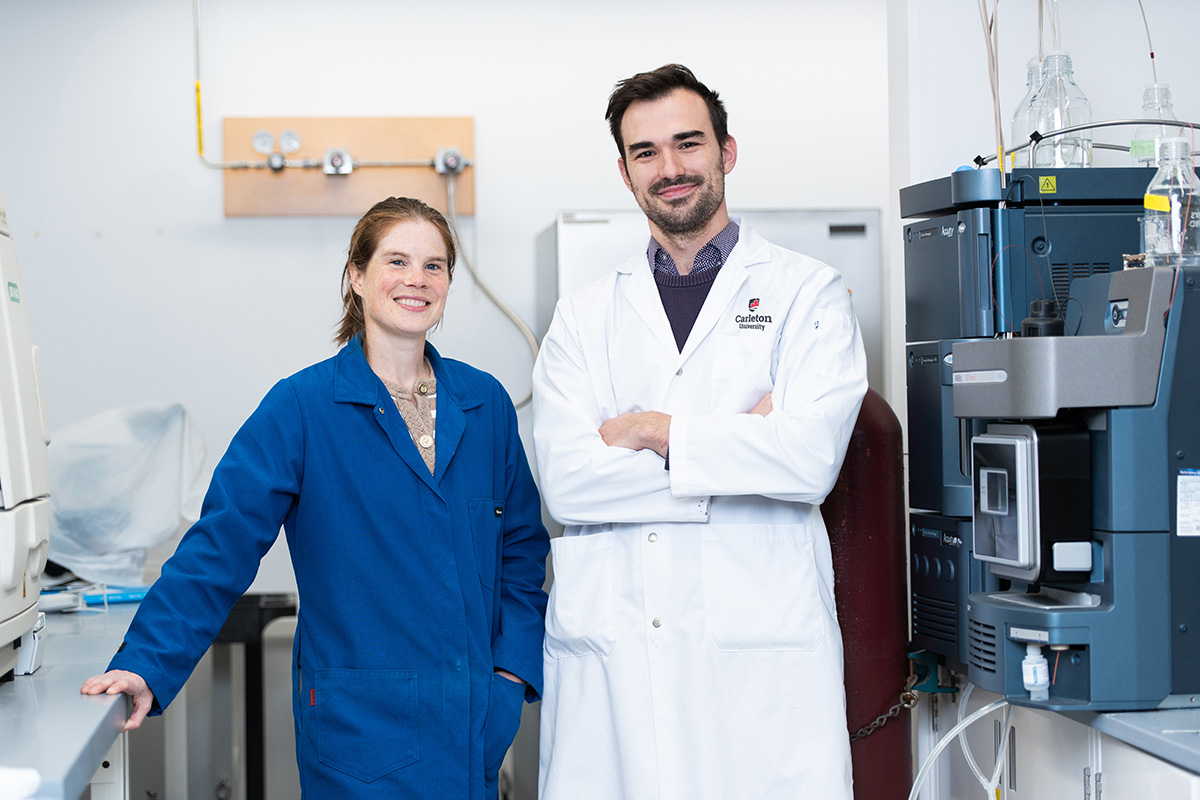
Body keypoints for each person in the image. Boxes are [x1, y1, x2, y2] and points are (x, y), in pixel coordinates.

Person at [82, 197, 550, 799]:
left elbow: (521, 553)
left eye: (434, 266)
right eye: (397, 261)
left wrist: (510, 675)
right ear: (356, 276)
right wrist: (146, 662)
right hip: (359, 734)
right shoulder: (301, 408)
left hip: (471, 725)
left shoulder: (484, 405)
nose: (417, 279)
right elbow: (220, 545)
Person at [531, 65, 868, 799]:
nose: (670, 168)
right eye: (646, 152)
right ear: (625, 172)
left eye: (688, 143)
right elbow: (568, 483)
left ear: (727, 152)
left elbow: (808, 461)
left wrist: (653, 430)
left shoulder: (807, 293)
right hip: (618, 659)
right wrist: (737, 448)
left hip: (758, 664)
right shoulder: (582, 317)